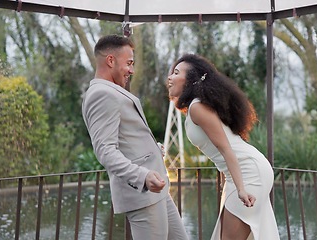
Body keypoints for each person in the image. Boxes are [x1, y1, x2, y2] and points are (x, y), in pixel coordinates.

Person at [82, 34, 188, 240]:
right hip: (142, 194)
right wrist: (143, 176)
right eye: (129, 63)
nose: (132, 70)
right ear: (110, 60)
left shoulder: (111, 91)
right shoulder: (101, 94)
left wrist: (153, 150)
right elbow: (105, 150)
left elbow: (126, 139)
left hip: (156, 190)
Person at [166, 54, 280, 240]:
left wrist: (241, 189)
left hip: (248, 172)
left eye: (176, 72)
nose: (170, 77)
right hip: (239, 174)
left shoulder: (197, 108)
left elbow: (226, 149)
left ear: (190, 80)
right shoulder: (195, 107)